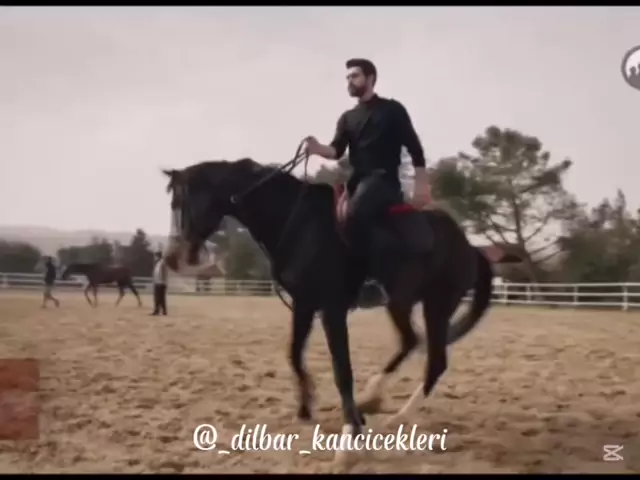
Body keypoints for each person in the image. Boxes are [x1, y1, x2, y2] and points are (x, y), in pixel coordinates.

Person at [304, 58, 433, 271]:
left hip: (384, 180)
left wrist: (422, 185)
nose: (349, 81)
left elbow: (415, 147)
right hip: (357, 182)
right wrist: (317, 148)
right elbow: (336, 150)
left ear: (370, 78)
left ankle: (370, 275)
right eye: (348, 77)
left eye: (355, 76)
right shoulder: (347, 118)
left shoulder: (392, 109)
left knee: (354, 214)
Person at [150, 250, 168, 316]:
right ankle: (161, 311)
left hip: (160, 283)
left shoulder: (162, 263)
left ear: (158, 256)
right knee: (159, 298)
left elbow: (163, 273)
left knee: (159, 298)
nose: (155, 257)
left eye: (155, 256)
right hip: (158, 282)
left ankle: (158, 311)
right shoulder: (158, 263)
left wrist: (162, 281)